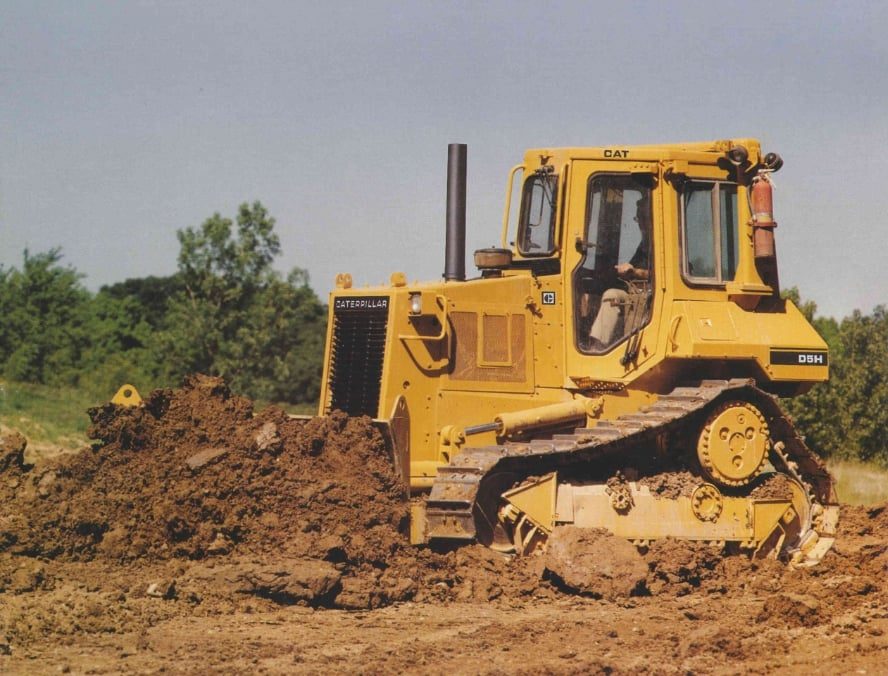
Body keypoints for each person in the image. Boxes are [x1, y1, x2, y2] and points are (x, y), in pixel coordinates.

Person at [588, 197, 651, 350]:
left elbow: (663, 276)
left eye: (642, 218)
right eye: (638, 218)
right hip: (636, 292)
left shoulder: (665, 244)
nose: (639, 223)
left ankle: (598, 349)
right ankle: (597, 344)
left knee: (612, 296)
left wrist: (634, 271)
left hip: (650, 296)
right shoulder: (644, 244)